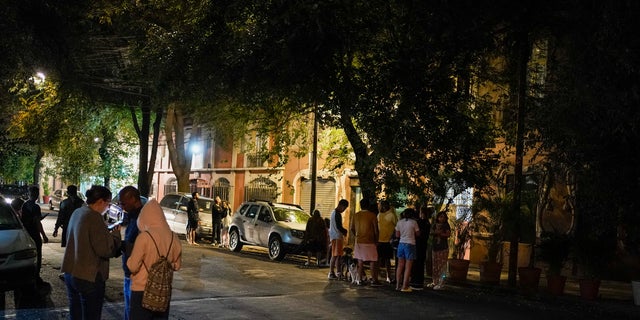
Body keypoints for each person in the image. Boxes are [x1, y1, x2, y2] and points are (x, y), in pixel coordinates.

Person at [61, 185, 122, 320]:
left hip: (71, 271)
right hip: (89, 275)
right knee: (91, 315)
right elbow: (105, 250)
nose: (108, 207)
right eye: (108, 203)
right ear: (100, 201)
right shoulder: (94, 217)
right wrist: (116, 235)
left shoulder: (78, 212)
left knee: (76, 314)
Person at [127, 199, 182, 319]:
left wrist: (128, 259)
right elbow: (177, 266)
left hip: (141, 291)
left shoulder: (144, 237)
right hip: (162, 292)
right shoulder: (174, 237)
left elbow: (133, 266)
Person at [119, 186, 145, 320]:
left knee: (132, 311)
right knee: (129, 310)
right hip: (129, 272)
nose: (121, 206)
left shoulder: (142, 219)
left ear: (134, 199)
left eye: (123, 202)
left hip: (136, 274)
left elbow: (140, 247)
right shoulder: (133, 217)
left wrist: (121, 245)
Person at [20, 185, 49, 285]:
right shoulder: (35, 207)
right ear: (36, 194)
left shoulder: (24, 205)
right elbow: (37, 222)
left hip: (26, 233)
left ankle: (28, 276)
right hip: (34, 234)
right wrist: (44, 236)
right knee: (38, 255)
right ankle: (36, 277)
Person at [350, 197, 381, 286]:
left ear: (360, 206)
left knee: (360, 261)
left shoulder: (355, 215)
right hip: (370, 241)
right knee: (372, 260)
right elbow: (376, 230)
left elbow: (352, 228)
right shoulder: (372, 215)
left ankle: (359, 279)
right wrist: (376, 240)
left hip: (359, 241)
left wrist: (356, 236)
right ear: (368, 206)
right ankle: (374, 280)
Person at [410, 206, 433, 290]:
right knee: (420, 264)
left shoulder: (420, 222)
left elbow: (418, 233)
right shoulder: (427, 223)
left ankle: (415, 282)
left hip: (418, 245)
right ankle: (419, 282)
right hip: (423, 245)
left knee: (416, 263)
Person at [428, 211, 451, 290]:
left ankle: (441, 283)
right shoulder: (434, 224)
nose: (442, 218)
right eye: (440, 217)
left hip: (443, 248)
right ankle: (435, 281)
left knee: (442, 266)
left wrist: (440, 234)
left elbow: (448, 234)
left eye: (443, 217)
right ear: (437, 217)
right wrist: (436, 233)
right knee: (435, 265)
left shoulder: (446, 225)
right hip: (435, 247)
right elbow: (431, 232)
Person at [376, 200, 398, 284]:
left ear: (383, 206)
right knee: (378, 259)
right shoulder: (379, 215)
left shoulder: (391, 215)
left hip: (388, 241)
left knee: (387, 260)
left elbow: (397, 226)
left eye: (380, 205)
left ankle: (388, 276)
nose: (378, 207)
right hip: (379, 240)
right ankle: (377, 275)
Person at [327, 199, 349, 280]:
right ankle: (331, 272)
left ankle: (338, 272)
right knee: (335, 255)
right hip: (336, 237)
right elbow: (339, 226)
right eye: (344, 208)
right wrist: (345, 231)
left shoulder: (334, 213)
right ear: (341, 205)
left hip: (335, 236)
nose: (344, 210)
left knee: (337, 255)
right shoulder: (337, 214)